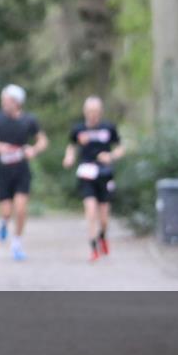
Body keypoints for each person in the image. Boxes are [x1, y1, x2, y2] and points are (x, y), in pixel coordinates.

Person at [0, 84, 48, 261]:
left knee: (20, 208)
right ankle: (4, 222)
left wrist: (33, 150)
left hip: (21, 170)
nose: (3, 103)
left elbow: (43, 140)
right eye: (2, 100)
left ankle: (17, 243)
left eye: (7, 100)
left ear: (17, 102)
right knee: (6, 211)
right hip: (3, 170)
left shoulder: (29, 120)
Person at [62, 96, 125, 261]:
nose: (93, 115)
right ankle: (93, 247)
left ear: (101, 112)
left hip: (104, 174)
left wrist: (110, 156)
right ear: (85, 112)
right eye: (90, 112)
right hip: (86, 174)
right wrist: (69, 157)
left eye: (96, 112)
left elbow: (120, 148)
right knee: (90, 211)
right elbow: (71, 146)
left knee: (104, 218)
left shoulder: (109, 128)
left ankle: (102, 235)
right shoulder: (78, 129)